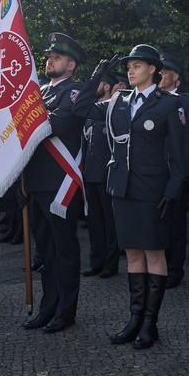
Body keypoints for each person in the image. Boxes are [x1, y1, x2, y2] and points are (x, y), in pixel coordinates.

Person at [73, 45, 185, 348]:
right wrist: (95, 78)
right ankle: (134, 318)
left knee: (154, 254)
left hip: (153, 191)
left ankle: (151, 322)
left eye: (137, 65)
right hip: (121, 189)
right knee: (133, 254)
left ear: (153, 70)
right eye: (129, 66)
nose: (131, 71)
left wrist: (173, 193)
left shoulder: (168, 105)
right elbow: (80, 109)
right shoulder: (117, 103)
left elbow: (179, 157)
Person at [21, 33, 88, 334]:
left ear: (71, 64)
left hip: (61, 184)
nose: (50, 60)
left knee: (64, 250)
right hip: (36, 182)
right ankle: (48, 307)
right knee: (45, 252)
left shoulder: (74, 92)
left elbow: (53, 126)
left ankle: (66, 310)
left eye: (57, 57)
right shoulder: (39, 93)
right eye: (48, 56)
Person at [157, 52, 189, 289]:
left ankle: (174, 269)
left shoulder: (188, 102)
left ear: (176, 77)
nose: (159, 75)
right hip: (153, 173)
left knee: (175, 224)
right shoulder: (150, 99)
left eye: (164, 72)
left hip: (176, 174)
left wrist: (185, 175)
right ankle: (157, 266)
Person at [80, 69, 122, 279]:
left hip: (107, 175)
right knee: (94, 222)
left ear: (106, 86)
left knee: (110, 223)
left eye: (98, 83)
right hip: (90, 175)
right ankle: (96, 261)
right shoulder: (91, 112)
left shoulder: (113, 109)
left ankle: (110, 264)